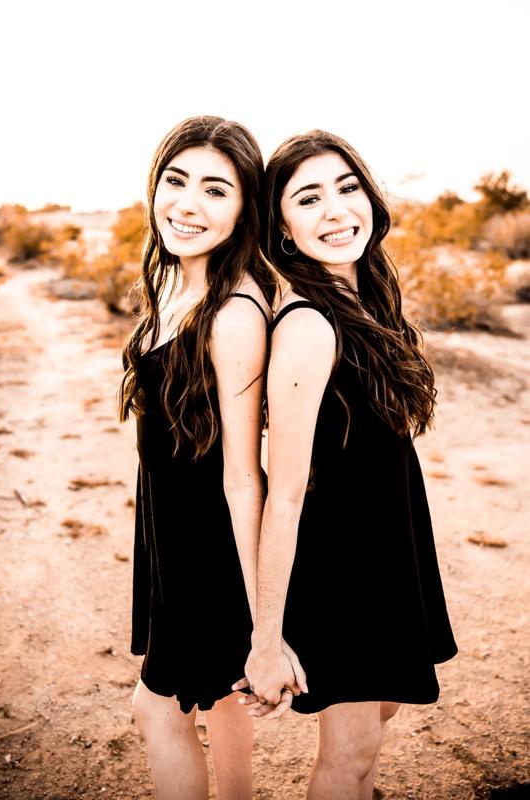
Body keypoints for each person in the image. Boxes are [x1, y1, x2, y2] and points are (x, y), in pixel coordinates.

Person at [234, 130, 458, 800]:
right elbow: (287, 493)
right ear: (282, 227)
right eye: (308, 198)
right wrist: (266, 639)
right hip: (345, 572)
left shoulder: (365, 300)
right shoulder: (308, 327)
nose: (335, 210)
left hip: (390, 555)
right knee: (352, 756)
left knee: (381, 716)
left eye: (347, 186)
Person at [119, 116, 278, 800]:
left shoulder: (234, 310)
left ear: (245, 209)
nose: (186, 203)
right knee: (221, 699)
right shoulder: (176, 283)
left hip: (209, 546)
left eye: (217, 190)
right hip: (170, 528)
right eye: (176, 180)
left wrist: (260, 614)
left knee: (155, 708)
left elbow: (243, 476)